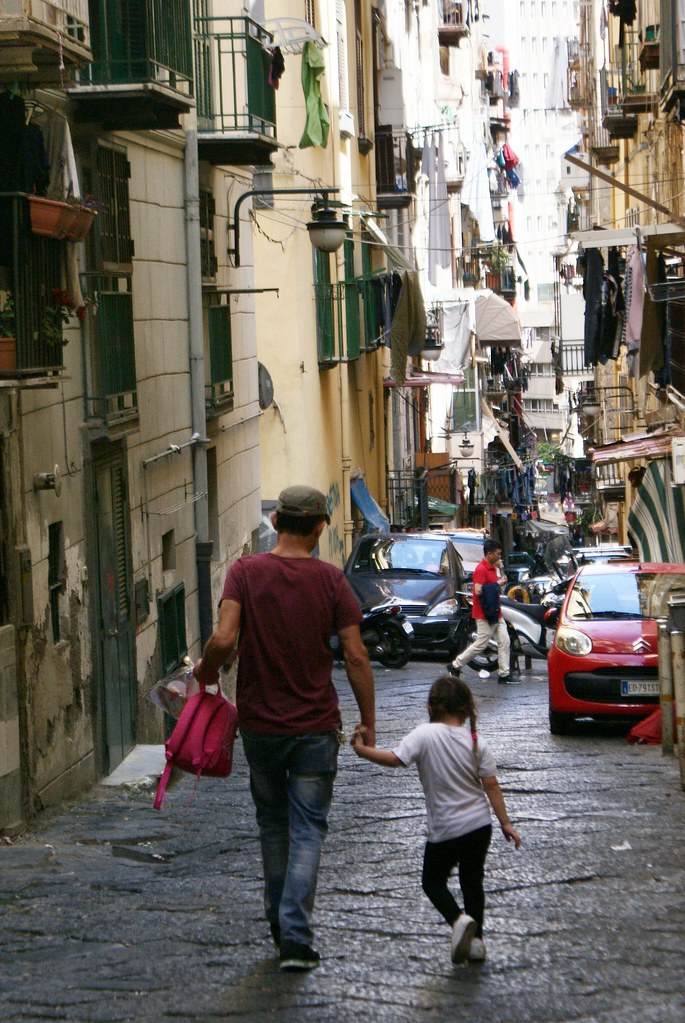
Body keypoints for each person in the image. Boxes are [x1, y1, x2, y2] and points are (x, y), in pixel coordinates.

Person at [193, 485, 376, 972]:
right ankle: (295, 934)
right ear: (320, 528)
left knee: (273, 825)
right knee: (309, 829)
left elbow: (224, 638)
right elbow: (356, 655)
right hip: (315, 726)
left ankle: (279, 924)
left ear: (275, 522)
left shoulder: (245, 572)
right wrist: (369, 721)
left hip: (261, 727)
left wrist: (205, 674)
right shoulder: (332, 581)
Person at [351, 675, 521, 963]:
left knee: (432, 881)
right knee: (472, 882)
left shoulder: (423, 735)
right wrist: (505, 822)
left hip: (445, 827)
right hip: (480, 825)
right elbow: (491, 785)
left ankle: (457, 920)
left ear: (430, 707)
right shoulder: (476, 742)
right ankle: (477, 942)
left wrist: (362, 750)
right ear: (466, 710)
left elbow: (395, 759)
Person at [450, 538, 520, 684]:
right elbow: (478, 590)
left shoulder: (493, 568)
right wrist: (497, 584)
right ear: (489, 554)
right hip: (484, 613)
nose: (500, 557)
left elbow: (492, 590)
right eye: (498, 554)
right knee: (481, 643)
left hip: (495, 611)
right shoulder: (481, 569)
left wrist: (498, 582)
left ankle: (503, 674)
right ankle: (455, 665)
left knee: (504, 641)